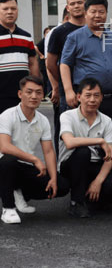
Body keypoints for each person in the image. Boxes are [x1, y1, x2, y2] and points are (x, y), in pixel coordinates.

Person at [60, 0, 112, 147]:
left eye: (101, 12)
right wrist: (68, 90)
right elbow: (64, 64)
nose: (97, 15)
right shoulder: (74, 37)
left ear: (106, 14)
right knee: (87, 138)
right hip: (88, 98)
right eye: (93, 12)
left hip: (111, 97)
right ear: (86, 13)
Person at [0, 76, 69, 224]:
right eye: (29, 92)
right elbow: (4, 147)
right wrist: (34, 159)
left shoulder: (42, 120)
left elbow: (48, 151)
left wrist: (53, 178)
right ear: (20, 94)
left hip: (24, 167)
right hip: (4, 167)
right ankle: (8, 208)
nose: (34, 96)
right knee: (8, 160)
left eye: (38, 92)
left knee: (62, 186)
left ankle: (19, 194)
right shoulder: (7, 115)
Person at [58, 78, 112, 218]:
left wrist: (98, 181)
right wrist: (99, 140)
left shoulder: (106, 120)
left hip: (95, 164)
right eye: (88, 95)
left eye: (96, 95)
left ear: (101, 98)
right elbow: (69, 142)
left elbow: (110, 155)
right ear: (79, 97)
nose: (92, 100)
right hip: (70, 165)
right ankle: (76, 202)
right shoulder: (67, 116)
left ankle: (92, 195)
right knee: (83, 152)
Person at [46, 0, 87, 147]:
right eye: (72, 4)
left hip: (91, 88)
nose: (76, 6)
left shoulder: (94, 29)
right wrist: (62, 83)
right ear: (67, 8)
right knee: (66, 131)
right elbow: (50, 63)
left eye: (80, 2)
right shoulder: (59, 32)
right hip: (68, 91)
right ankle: (61, 163)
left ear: (85, 4)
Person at [0, 0, 40, 114]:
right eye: (5, 9)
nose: (10, 12)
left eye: (13, 8)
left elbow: (33, 63)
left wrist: (35, 86)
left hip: (22, 95)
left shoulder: (26, 37)